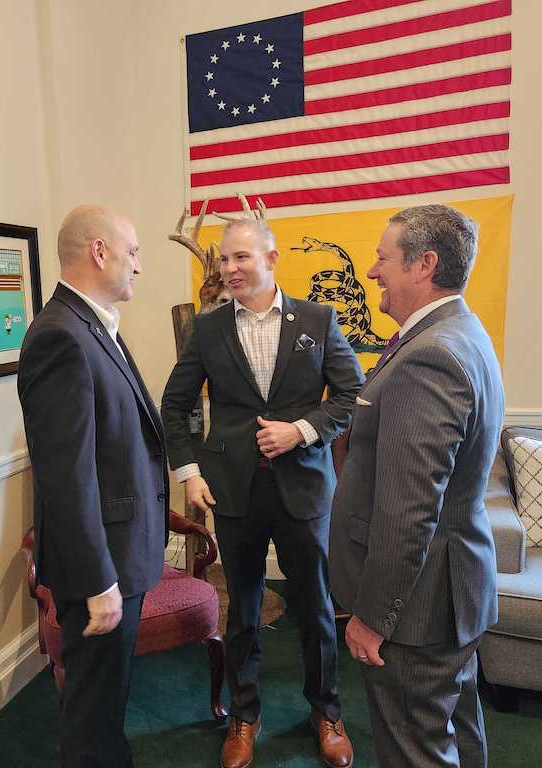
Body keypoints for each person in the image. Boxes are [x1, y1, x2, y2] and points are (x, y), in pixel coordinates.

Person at [161, 218, 364, 768]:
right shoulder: (207, 330)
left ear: (271, 259)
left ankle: (326, 712)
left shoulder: (318, 319)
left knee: (316, 608)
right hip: (233, 493)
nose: (230, 269)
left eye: (241, 258)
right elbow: (174, 406)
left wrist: (299, 431)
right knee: (244, 610)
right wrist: (189, 474)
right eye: (225, 260)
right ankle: (244, 718)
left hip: (304, 489)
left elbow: (351, 392)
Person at [329, 204, 505, 768]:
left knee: (416, 750)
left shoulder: (429, 357)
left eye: (383, 258)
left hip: (417, 610)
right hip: (450, 595)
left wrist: (372, 618)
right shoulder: (462, 333)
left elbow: (410, 512)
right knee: (456, 730)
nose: (373, 271)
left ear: (423, 264)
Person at [17, 205, 167, 768]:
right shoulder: (60, 335)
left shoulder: (91, 323)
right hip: (101, 563)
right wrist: (97, 578)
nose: (138, 266)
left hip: (120, 551)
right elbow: (66, 473)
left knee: (109, 703)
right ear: (99, 252)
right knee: (92, 713)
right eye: (132, 252)